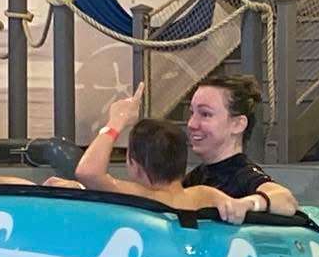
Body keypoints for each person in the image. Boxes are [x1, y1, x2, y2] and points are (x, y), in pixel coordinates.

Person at [73, 84, 254, 224]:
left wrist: (116, 121)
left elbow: (88, 172)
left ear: (134, 165)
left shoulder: (139, 197)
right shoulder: (205, 195)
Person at [184, 75, 299, 216]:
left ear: (238, 124)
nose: (192, 124)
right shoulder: (197, 177)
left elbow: (286, 200)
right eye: (192, 113)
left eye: (205, 114)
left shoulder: (243, 176)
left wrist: (246, 204)